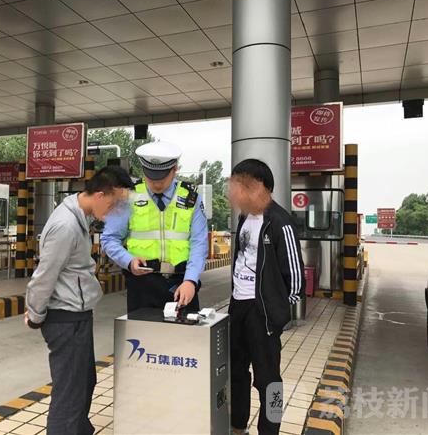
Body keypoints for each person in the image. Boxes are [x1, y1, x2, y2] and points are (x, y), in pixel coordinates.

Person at [24, 165, 134, 435]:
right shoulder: (66, 226)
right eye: (115, 204)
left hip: (77, 317)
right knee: (69, 395)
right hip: (65, 320)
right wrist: (35, 315)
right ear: (100, 195)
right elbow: (44, 275)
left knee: (84, 383)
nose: (115, 212)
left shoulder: (80, 219)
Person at [227, 159, 305, 435]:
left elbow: (295, 276)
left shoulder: (280, 222)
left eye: (244, 185)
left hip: (263, 314)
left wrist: (277, 310)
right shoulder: (244, 218)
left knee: (269, 381)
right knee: (237, 372)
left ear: (263, 188)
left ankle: (270, 431)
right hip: (239, 307)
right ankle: (238, 427)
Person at [101, 141, 208, 313]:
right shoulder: (128, 197)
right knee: (142, 331)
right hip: (142, 285)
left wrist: (191, 281)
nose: (156, 184)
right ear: (143, 170)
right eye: (151, 177)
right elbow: (109, 238)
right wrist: (128, 261)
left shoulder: (191, 198)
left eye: (162, 178)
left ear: (175, 169)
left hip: (181, 284)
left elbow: (199, 243)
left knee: (185, 331)